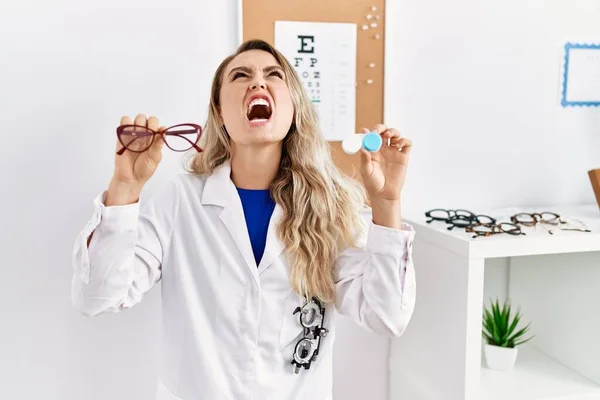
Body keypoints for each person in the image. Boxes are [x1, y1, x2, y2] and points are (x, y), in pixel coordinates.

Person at [71, 39, 416, 400]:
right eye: (241, 75)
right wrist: (125, 187)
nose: (257, 82)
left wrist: (387, 202)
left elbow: (386, 315)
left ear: (294, 106)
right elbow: (96, 297)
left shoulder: (328, 208)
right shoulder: (181, 200)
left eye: (273, 74)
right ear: (220, 112)